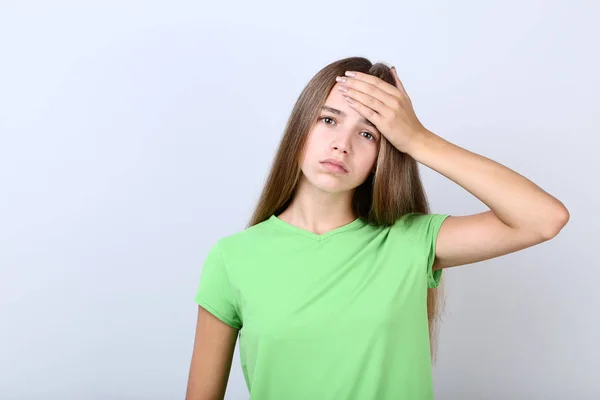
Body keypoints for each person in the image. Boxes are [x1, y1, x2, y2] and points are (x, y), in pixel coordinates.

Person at [185, 56, 570, 400]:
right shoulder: (233, 257)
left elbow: (544, 219)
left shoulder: (411, 241)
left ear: (385, 154)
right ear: (300, 127)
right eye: (329, 119)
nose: (342, 144)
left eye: (368, 133)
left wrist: (418, 139)